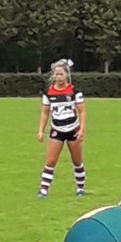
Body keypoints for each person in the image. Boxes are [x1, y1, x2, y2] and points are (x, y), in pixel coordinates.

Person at [37, 59, 87, 198]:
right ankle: (43, 190)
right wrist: (41, 130)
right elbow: (45, 112)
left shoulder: (74, 92)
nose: (59, 77)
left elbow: (82, 111)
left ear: (66, 75)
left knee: (77, 161)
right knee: (50, 161)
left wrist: (82, 129)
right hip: (57, 130)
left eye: (61, 74)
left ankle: (80, 189)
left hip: (73, 129)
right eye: (56, 74)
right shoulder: (48, 93)